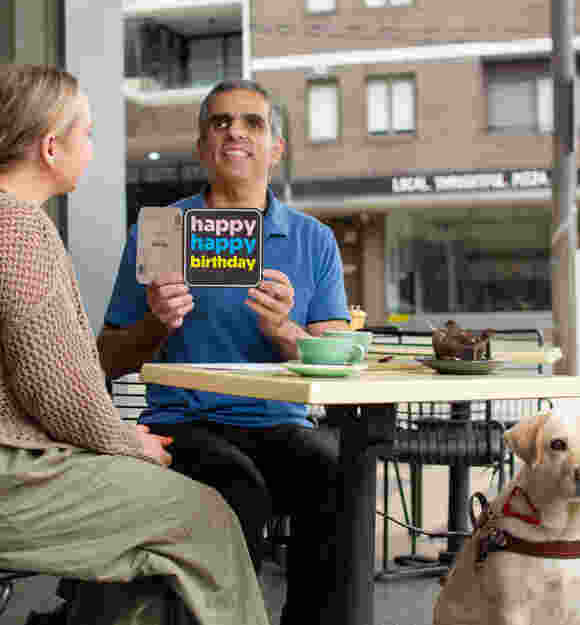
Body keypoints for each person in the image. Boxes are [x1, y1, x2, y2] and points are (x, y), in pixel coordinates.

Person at [0, 64, 270, 625]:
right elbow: (58, 388)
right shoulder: (21, 232)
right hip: (14, 478)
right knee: (206, 514)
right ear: (52, 147)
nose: (92, 148)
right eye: (89, 133)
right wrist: (125, 442)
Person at [98, 79, 351, 625]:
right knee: (239, 486)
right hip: (181, 425)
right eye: (219, 122)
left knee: (338, 474)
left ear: (276, 147)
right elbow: (106, 361)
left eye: (251, 123)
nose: (234, 131)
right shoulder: (159, 231)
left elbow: (336, 362)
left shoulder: (313, 240)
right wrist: (155, 322)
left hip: (279, 426)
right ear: (200, 146)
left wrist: (286, 329)